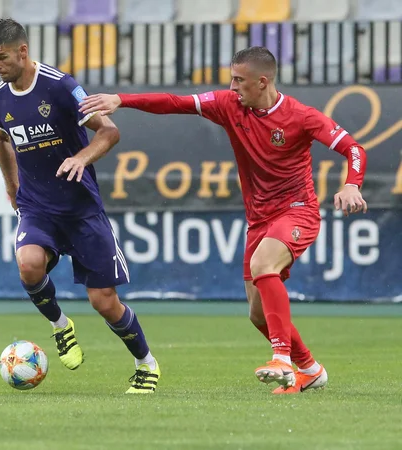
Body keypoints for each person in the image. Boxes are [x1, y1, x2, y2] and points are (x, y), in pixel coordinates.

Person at [79, 46, 368, 394]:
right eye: (231, 78)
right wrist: (120, 99)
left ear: (262, 82)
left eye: (238, 80)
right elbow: (174, 102)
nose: (231, 86)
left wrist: (352, 184)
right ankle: (309, 368)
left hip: (298, 210)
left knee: (264, 265)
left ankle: (282, 359)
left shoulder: (301, 116)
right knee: (258, 314)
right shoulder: (229, 105)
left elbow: (353, 148)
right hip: (259, 219)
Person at [0, 18, 160, 394]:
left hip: (81, 210)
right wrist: (11, 185)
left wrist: (82, 158)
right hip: (37, 206)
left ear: (23, 51)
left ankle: (146, 363)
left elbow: (109, 131)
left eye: (2, 58)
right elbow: (1, 138)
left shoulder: (60, 86)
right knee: (28, 264)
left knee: (104, 302)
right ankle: (61, 326)